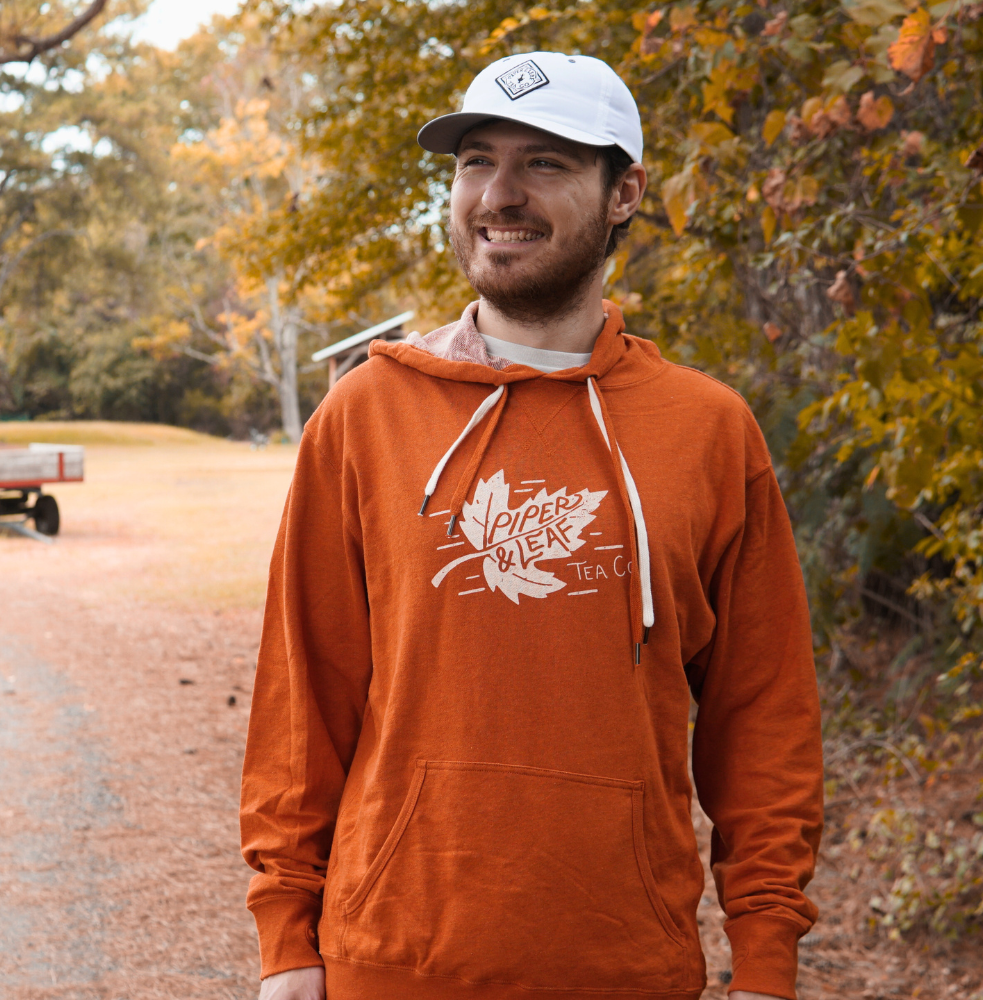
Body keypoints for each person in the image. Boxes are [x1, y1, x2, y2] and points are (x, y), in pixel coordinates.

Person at [241, 50, 823, 1000]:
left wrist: (765, 953)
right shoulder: (364, 418)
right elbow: (304, 699)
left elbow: (764, 718)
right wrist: (287, 938)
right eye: (477, 161)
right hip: (391, 961)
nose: (498, 195)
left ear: (624, 190)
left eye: (545, 163)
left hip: (626, 966)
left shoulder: (709, 431)